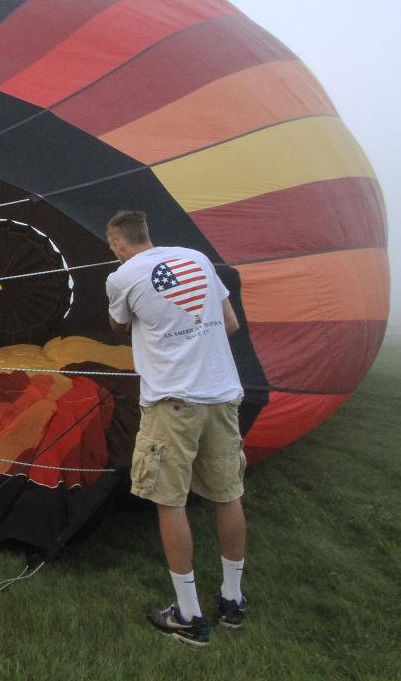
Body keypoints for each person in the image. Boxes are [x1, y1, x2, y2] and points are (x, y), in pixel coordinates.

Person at [104, 210, 248, 647]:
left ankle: (188, 615)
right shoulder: (198, 258)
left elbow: (117, 325)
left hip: (173, 402)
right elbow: (230, 324)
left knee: (170, 501)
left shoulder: (123, 276)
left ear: (117, 243)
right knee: (228, 494)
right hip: (222, 394)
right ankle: (232, 599)